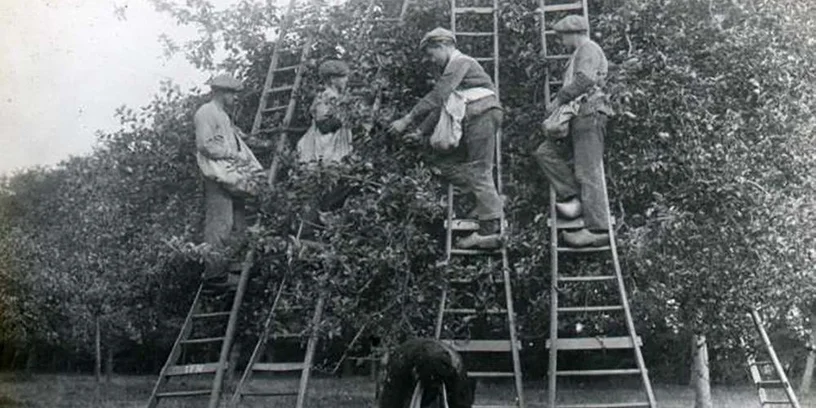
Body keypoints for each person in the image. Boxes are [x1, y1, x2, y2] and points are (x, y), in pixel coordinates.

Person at [388, 28, 504, 250]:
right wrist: (420, 132)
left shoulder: (461, 62)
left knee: (479, 169)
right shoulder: (453, 68)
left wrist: (407, 118)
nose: (432, 60)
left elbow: (439, 95)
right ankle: (489, 202)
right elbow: (442, 105)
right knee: (444, 163)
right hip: (471, 118)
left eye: (432, 54)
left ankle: (488, 231)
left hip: (481, 115)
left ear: (442, 46)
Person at [533, 15, 614, 247]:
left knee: (588, 171)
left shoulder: (588, 49)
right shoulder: (579, 53)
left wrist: (557, 101)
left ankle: (597, 229)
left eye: (563, 37)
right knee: (545, 152)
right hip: (579, 116)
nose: (562, 41)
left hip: (590, 113)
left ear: (574, 33)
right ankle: (574, 198)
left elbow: (584, 81)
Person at [194, 74, 264, 291]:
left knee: (238, 224)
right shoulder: (206, 112)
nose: (235, 98)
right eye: (232, 93)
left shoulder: (223, 116)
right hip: (217, 176)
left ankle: (231, 266)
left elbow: (232, 137)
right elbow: (205, 145)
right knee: (220, 225)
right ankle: (215, 276)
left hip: (230, 174)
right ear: (220, 92)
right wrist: (233, 154)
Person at [295, 60, 355, 241]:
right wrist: (345, 117)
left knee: (338, 185)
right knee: (320, 187)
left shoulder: (339, 97)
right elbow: (323, 125)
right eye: (343, 77)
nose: (346, 81)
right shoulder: (326, 96)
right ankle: (309, 233)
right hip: (323, 148)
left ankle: (323, 227)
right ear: (332, 79)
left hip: (335, 148)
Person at [378, 338, 474, 408]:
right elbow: (391, 400)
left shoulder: (455, 367)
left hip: (432, 364)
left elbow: (462, 402)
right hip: (413, 362)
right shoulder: (401, 364)